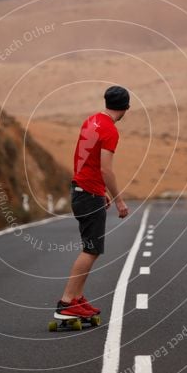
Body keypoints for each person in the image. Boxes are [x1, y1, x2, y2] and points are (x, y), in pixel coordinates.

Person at [54, 85, 130, 322]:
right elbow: (106, 169)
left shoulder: (92, 121)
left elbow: (85, 157)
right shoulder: (110, 130)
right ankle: (66, 303)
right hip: (87, 194)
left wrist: (98, 190)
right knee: (90, 249)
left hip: (83, 189)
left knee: (92, 249)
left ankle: (77, 299)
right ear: (126, 108)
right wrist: (119, 201)